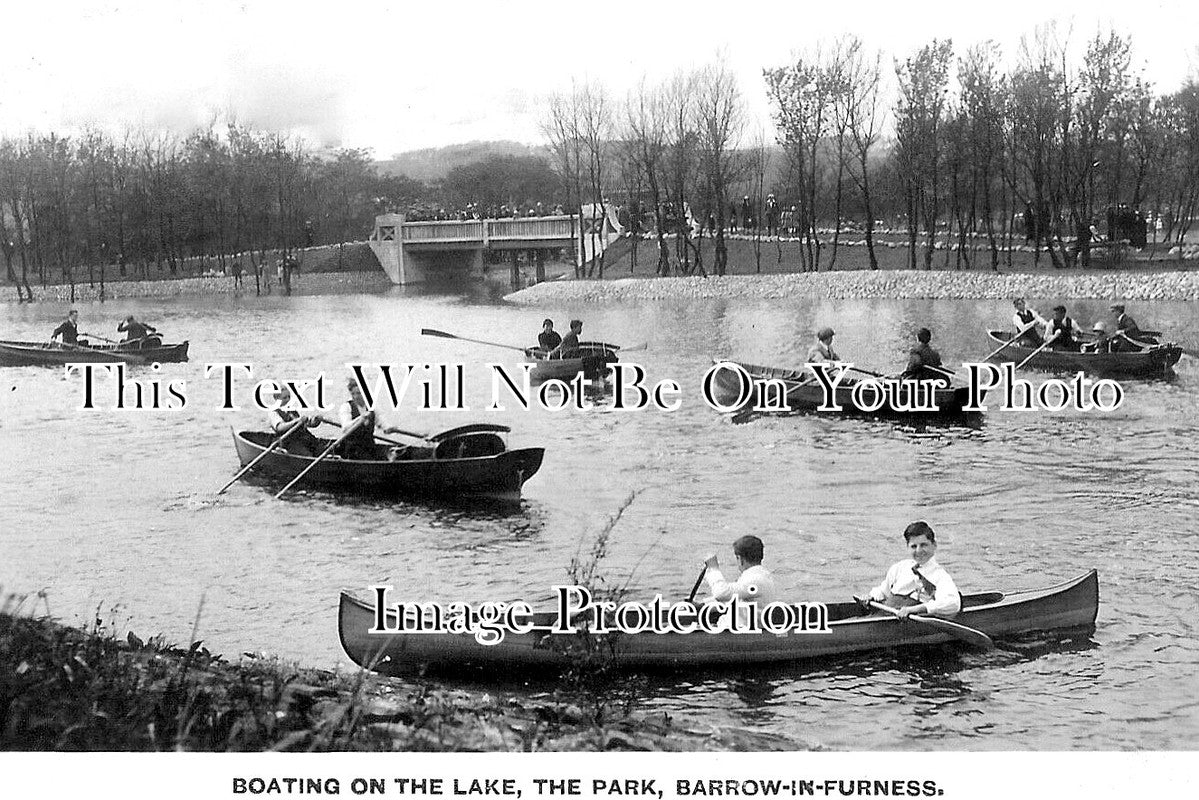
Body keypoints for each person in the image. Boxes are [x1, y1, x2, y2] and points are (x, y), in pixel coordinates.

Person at [860, 521, 961, 620]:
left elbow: (952, 603)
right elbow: (883, 591)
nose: (918, 551)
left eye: (923, 545)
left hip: (910, 622)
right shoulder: (899, 568)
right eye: (914, 546)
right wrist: (870, 596)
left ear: (934, 545)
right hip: (885, 616)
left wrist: (912, 609)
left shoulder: (940, 576)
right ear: (907, 547)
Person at [703, 534, 778, 626]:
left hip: (741, 633)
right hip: (736, 629)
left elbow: (721, 593)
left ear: (740, 559)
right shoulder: (760, 576)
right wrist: (703, 604)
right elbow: (733, 599)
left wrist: (713, 569)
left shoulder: (756, 580)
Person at [266, 384, 323, 458]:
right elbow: (280, 427)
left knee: (320, 448)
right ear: (276, 398)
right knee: (307, 455)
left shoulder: (292, 410)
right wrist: (296, 421)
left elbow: (304, 425)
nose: (288, 400)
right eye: (284, 398)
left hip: (301, 438)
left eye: (289, 397)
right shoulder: (273, 412)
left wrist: (315, 422)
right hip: (286, 441)